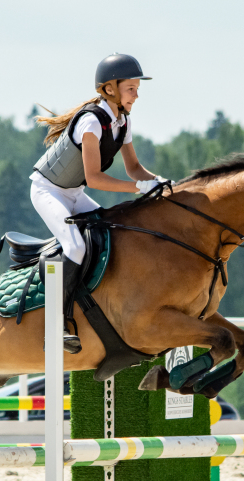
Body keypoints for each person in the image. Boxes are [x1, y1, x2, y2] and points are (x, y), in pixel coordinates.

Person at [32, 53, 166, 353]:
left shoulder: (122, 122)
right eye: (131, 88)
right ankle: (53, 325)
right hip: (48, 191)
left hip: (73, 192)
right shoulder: (91, 122)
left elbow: (134, 169)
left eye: (136, 89)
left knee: (110, 235)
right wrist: (138, 188)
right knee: (76, 247)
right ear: (110, 89)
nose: (136, 94)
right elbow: (95, 178)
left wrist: (158, 181)